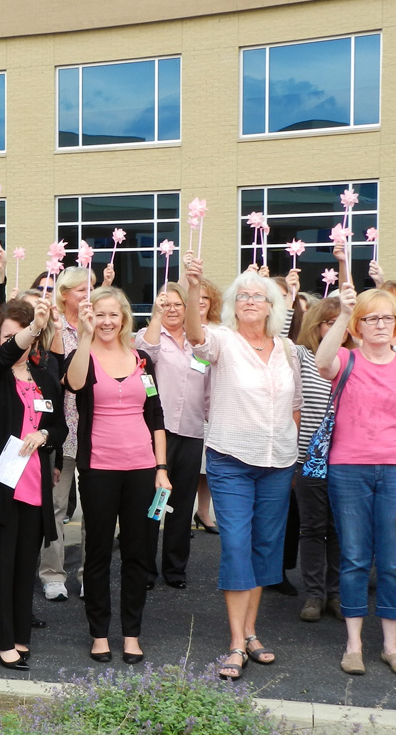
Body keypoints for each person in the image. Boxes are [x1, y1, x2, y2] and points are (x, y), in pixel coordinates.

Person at [184, 255, 302, 680]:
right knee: (236, 546)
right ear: (234, 304)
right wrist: (193, 285)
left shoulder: (287, 349)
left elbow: (295, 406)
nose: (251, 300)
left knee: (265, 549)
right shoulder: (221, 339)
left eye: (259, 295)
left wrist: (292, 452)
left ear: (273, 306)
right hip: (231, 458)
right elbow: (196, 337)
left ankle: (252, 633)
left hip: (278, 462)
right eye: (244, 295)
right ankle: (236, 642)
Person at [315, 285, 396, 676]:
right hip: (348, 470)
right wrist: (344, 313)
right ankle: (353, 645)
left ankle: (390, 646)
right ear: (358, 326)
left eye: (388, 318)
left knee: (395, 561)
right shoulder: (346, 360)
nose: (381, 325)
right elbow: (321, 360)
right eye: (371, 318)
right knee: (353, 558)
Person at [67, 287, 170, 664]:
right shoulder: (85, 356)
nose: (107, 322)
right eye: (100, 315)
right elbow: (75, 384)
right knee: (96, 553)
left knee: (137, 554)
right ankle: (98, 633)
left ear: (125, 317)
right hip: (98, 469)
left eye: (114, 315)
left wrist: (162, 469)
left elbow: (156, 417)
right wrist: (83, 335)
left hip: (142, 468)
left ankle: (131, 633)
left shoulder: (142, 360)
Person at [0, 298, 66, 669]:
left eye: (26, 333)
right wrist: (31, 329)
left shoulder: (44, 378)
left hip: (34, 481)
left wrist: (44, 435)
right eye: (9, 336)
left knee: (24, 564)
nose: (19, 343)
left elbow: (59, 425)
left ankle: (18, 634)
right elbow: (1, 357)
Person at [136, 282, 207, 591]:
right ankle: (146, 569)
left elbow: (208, 390)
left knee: (181, 503)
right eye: (167, 304)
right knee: (153, 503)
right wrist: (156, 314)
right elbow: (145, 353)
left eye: (178, 304)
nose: (173, 309)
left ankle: (175, 569)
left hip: (191, 430)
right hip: (157, 434)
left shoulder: (200, 343)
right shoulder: (149, 336)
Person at [291, 295, 349, 623]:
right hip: (309, 459)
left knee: (339, 528)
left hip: (345, 458)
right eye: (329, 321)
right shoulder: (301, 356)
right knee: (312, 528)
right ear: (317, 324)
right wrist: (286, 301)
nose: (335, 328)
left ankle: (336, 593)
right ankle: (314, 594)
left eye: (340, 322)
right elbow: (280, 338)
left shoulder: (355, 359)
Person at [41, 266, 94, 602]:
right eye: (80, 291)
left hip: (94, 429)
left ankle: (90, 574)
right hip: (61, 430)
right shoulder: (51, 328)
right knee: (56, 506)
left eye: (90, 290)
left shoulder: (99, 328)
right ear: (64, 294)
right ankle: (52, 574)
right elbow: (53, 375)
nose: (87, 296)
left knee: (94, 509)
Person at [194, 277, 223, 535]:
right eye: (197, 297)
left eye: (206, 298)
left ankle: (203, 511)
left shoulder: (219, 330)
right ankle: (178, 514)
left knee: (208, 467)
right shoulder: (182, 328)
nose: (201, 302)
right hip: (187, 405)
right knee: (186, 466)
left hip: (213, 406)